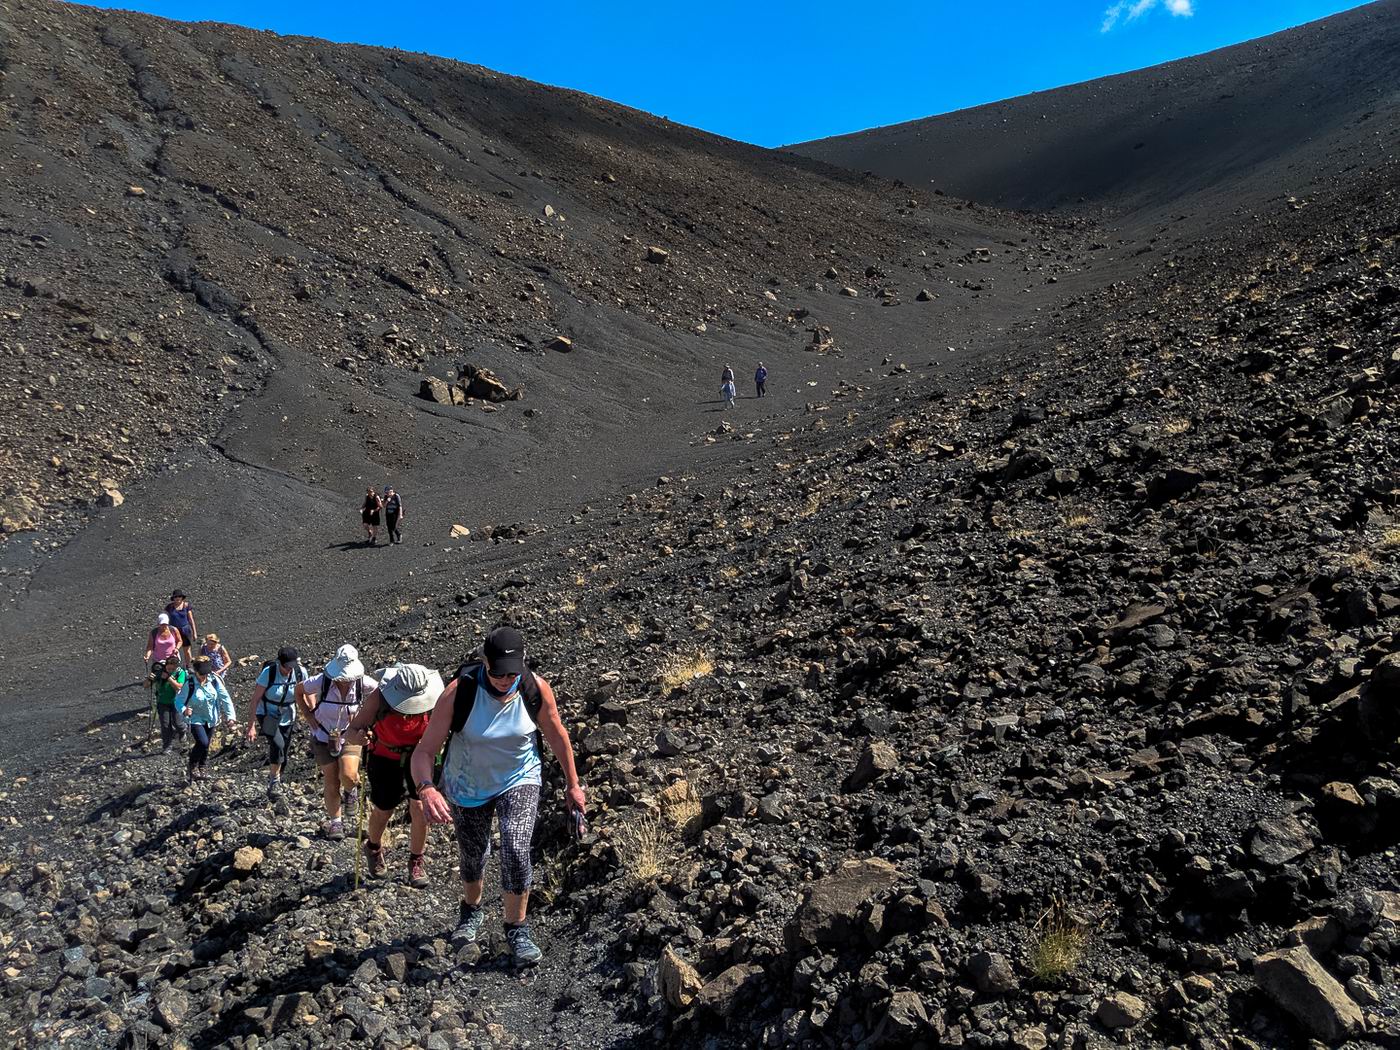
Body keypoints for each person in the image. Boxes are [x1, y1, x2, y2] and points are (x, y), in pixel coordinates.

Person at [412, 626, 586, 966]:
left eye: (513, 672)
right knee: (474, 854)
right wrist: (427, 788)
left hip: (519, 776)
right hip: (468, 784)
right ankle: (471, 909)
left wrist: (573, 784)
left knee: (516, 845)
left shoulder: (535, 689)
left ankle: (516, 928)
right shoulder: (459, 692)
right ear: (484, 664)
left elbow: (556, 733)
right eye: (498, 673)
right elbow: (424, 751)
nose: (506, 680)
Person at [345, 663, 443, 887]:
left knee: (419, 807)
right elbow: (351, 732)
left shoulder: (436, 697)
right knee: (384, 809)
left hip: (421, 755)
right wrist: (359, 738)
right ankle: (373, 847)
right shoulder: (379, 698)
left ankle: (416, 861)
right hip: (384, 757)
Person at [295, 643, 375, 840]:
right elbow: (299, 691)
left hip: (350, 734)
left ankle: (350, 790)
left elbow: (379, 698)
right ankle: (336, 823)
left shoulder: (362, 683)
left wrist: (367, 722)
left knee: (348, 774)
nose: (346, 680)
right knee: (331, 779)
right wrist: (308, 715)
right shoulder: (322, 680)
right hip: (322, 736)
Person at [245, 646, 309, 798]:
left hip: (288, 714)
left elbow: (305, 694)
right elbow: (255, 700)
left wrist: (312, 715)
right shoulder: (269, 673)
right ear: (279, 662)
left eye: (291, 667)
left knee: (284, 751)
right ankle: (274, 781)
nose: (289, 670)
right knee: (277, 744)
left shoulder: (300, 672)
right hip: (267, 713)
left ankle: (276, 781)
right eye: (286, 667)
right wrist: (251, 726)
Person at [181, 657, 235, 783]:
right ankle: (193, 765)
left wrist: (230, 716)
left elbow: (225, 698)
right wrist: (184, 709)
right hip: (195, 718)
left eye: (206, 673)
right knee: (203, 742)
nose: (204, 676)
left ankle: (202, 767)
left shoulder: (215, 681)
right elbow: (178, 700)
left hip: (211, 718)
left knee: (206, 745)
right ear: (196, 671)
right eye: (201, 673)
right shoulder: (189, 683)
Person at [147, 655, 188, 752]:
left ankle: (183, 731)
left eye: (172, 668)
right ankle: (167, 746)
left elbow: (179, 687)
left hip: (176, 702)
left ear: (176, 667)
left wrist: (169, 678)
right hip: (162, 702)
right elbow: (146, 685)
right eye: (168, 668)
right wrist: (149, 679)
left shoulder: (180, 673)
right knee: (165, 725)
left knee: (178, 723)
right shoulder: (160, 672)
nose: (170, 670)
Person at [165, 591, 198, 666]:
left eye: (179, 596)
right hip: (173, 630)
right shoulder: (169, 607)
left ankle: (188, 666)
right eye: (176, 597)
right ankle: (173, 666)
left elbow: (191, 619)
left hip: (185, 630)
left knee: (187, 650)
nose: (177, 598)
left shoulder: (186, 606)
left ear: (182, 597)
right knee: (173, 649)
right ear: (173, 598)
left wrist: (194, 633)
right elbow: (165, 618)